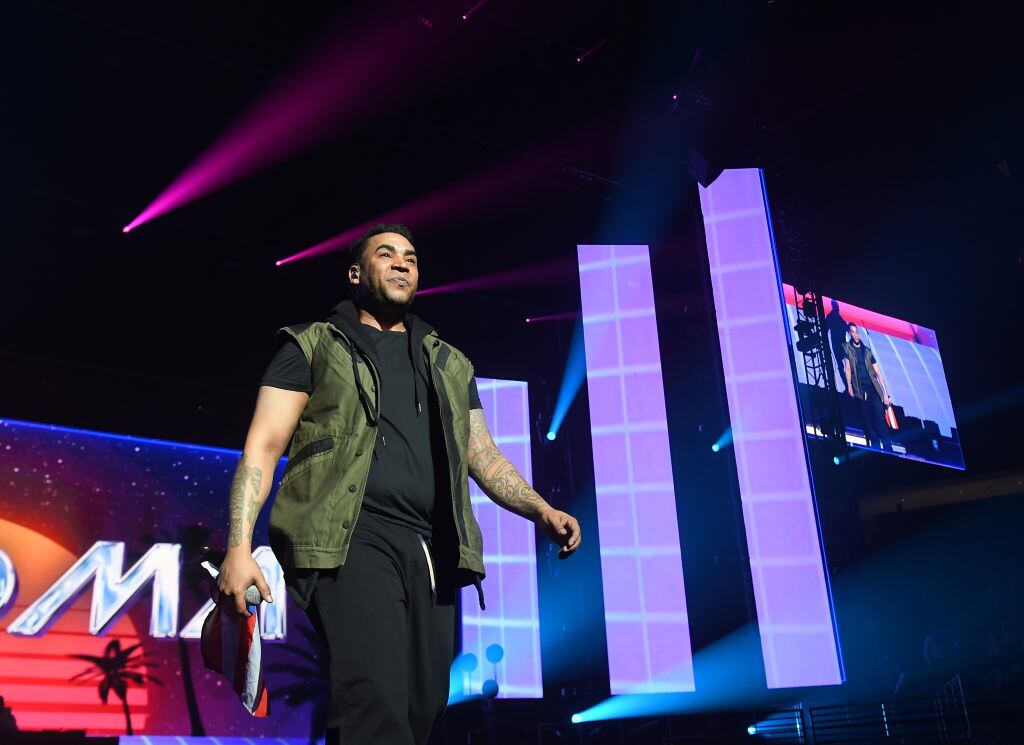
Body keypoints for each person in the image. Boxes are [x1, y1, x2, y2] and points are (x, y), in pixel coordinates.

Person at [216, 223, 581, 745]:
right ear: (356, 273)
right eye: (386, 254)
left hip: (431, 547)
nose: (402, 263)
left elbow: (482, 453)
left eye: (411, 257)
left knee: (421, 707)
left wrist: (540, 509)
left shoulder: (449, 363)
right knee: (372, 701)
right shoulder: (312, 345)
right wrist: (238, 545)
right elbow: (264, 445)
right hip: (348, 537)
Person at [842, 322, 893, 451]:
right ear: (849, 334)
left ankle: (888, 449)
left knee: (880, 418)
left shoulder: (867, 351)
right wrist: (849, 386)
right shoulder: (847, 348)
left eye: (856, 332)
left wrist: (885, 394)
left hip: (873, 389)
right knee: (868, 421)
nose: (855, 334)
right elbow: (847, 368)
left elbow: (878, 373)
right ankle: (876, 448)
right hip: (860, 390)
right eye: (852, 332)